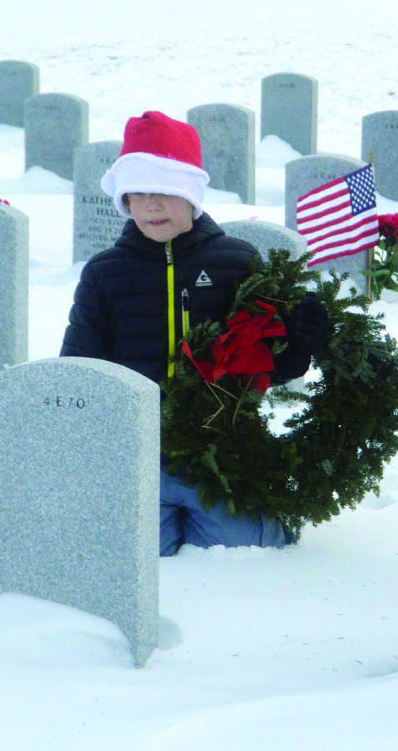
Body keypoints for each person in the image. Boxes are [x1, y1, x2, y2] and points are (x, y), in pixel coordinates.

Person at [61, 111, 327, 557]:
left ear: (191, 194)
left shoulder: (236, 262)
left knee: (249, 551)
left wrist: (297, 350)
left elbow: (260, 364)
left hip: (219, 454)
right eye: (139, 193)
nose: (152, 205)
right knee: (134, 556)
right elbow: (81, 369)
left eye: (165, 191)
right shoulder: (104, 274)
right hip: (138, 456)